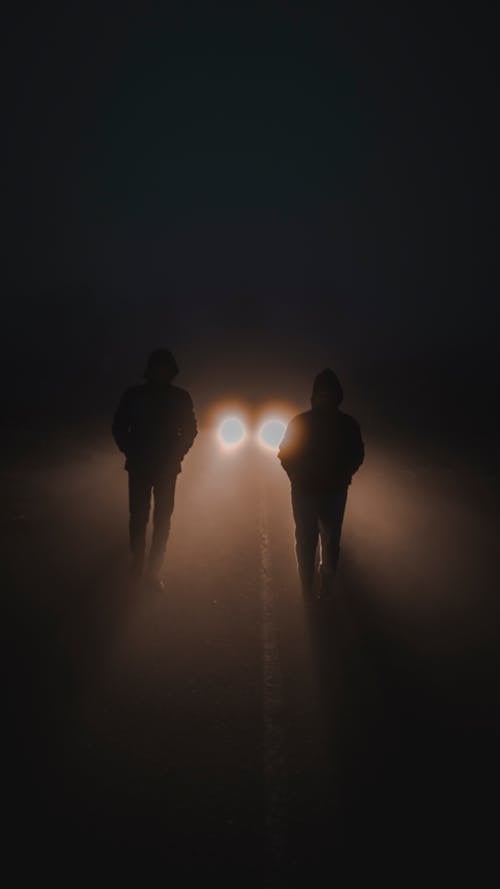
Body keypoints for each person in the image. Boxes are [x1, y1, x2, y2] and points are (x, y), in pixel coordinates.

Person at [112, 348, 197, 588]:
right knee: (138, 517)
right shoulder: (134, 396)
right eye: (159, 367)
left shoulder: (180, 398)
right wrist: (130, 450)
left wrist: (177, 454)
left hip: (165, 468)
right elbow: (119, 426)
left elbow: (190, 430)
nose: (162, 372)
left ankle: (152, 571)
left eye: (165, 368)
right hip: (141, 465)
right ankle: (138, 564)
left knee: (161, 519)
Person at [278, 369, 364, 599]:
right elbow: (285, 453)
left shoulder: (347, 424)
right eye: (322, 393)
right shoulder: (302, 422)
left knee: (331, 539)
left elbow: (357, 454)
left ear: (337, 395)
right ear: (315, 396)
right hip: (307, 490)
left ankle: (325, 582)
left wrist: (345, 474)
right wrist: (295, 475)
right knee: (306, 538)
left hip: (333, 491)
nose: (325, 397)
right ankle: (307, 583)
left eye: (329, 393)